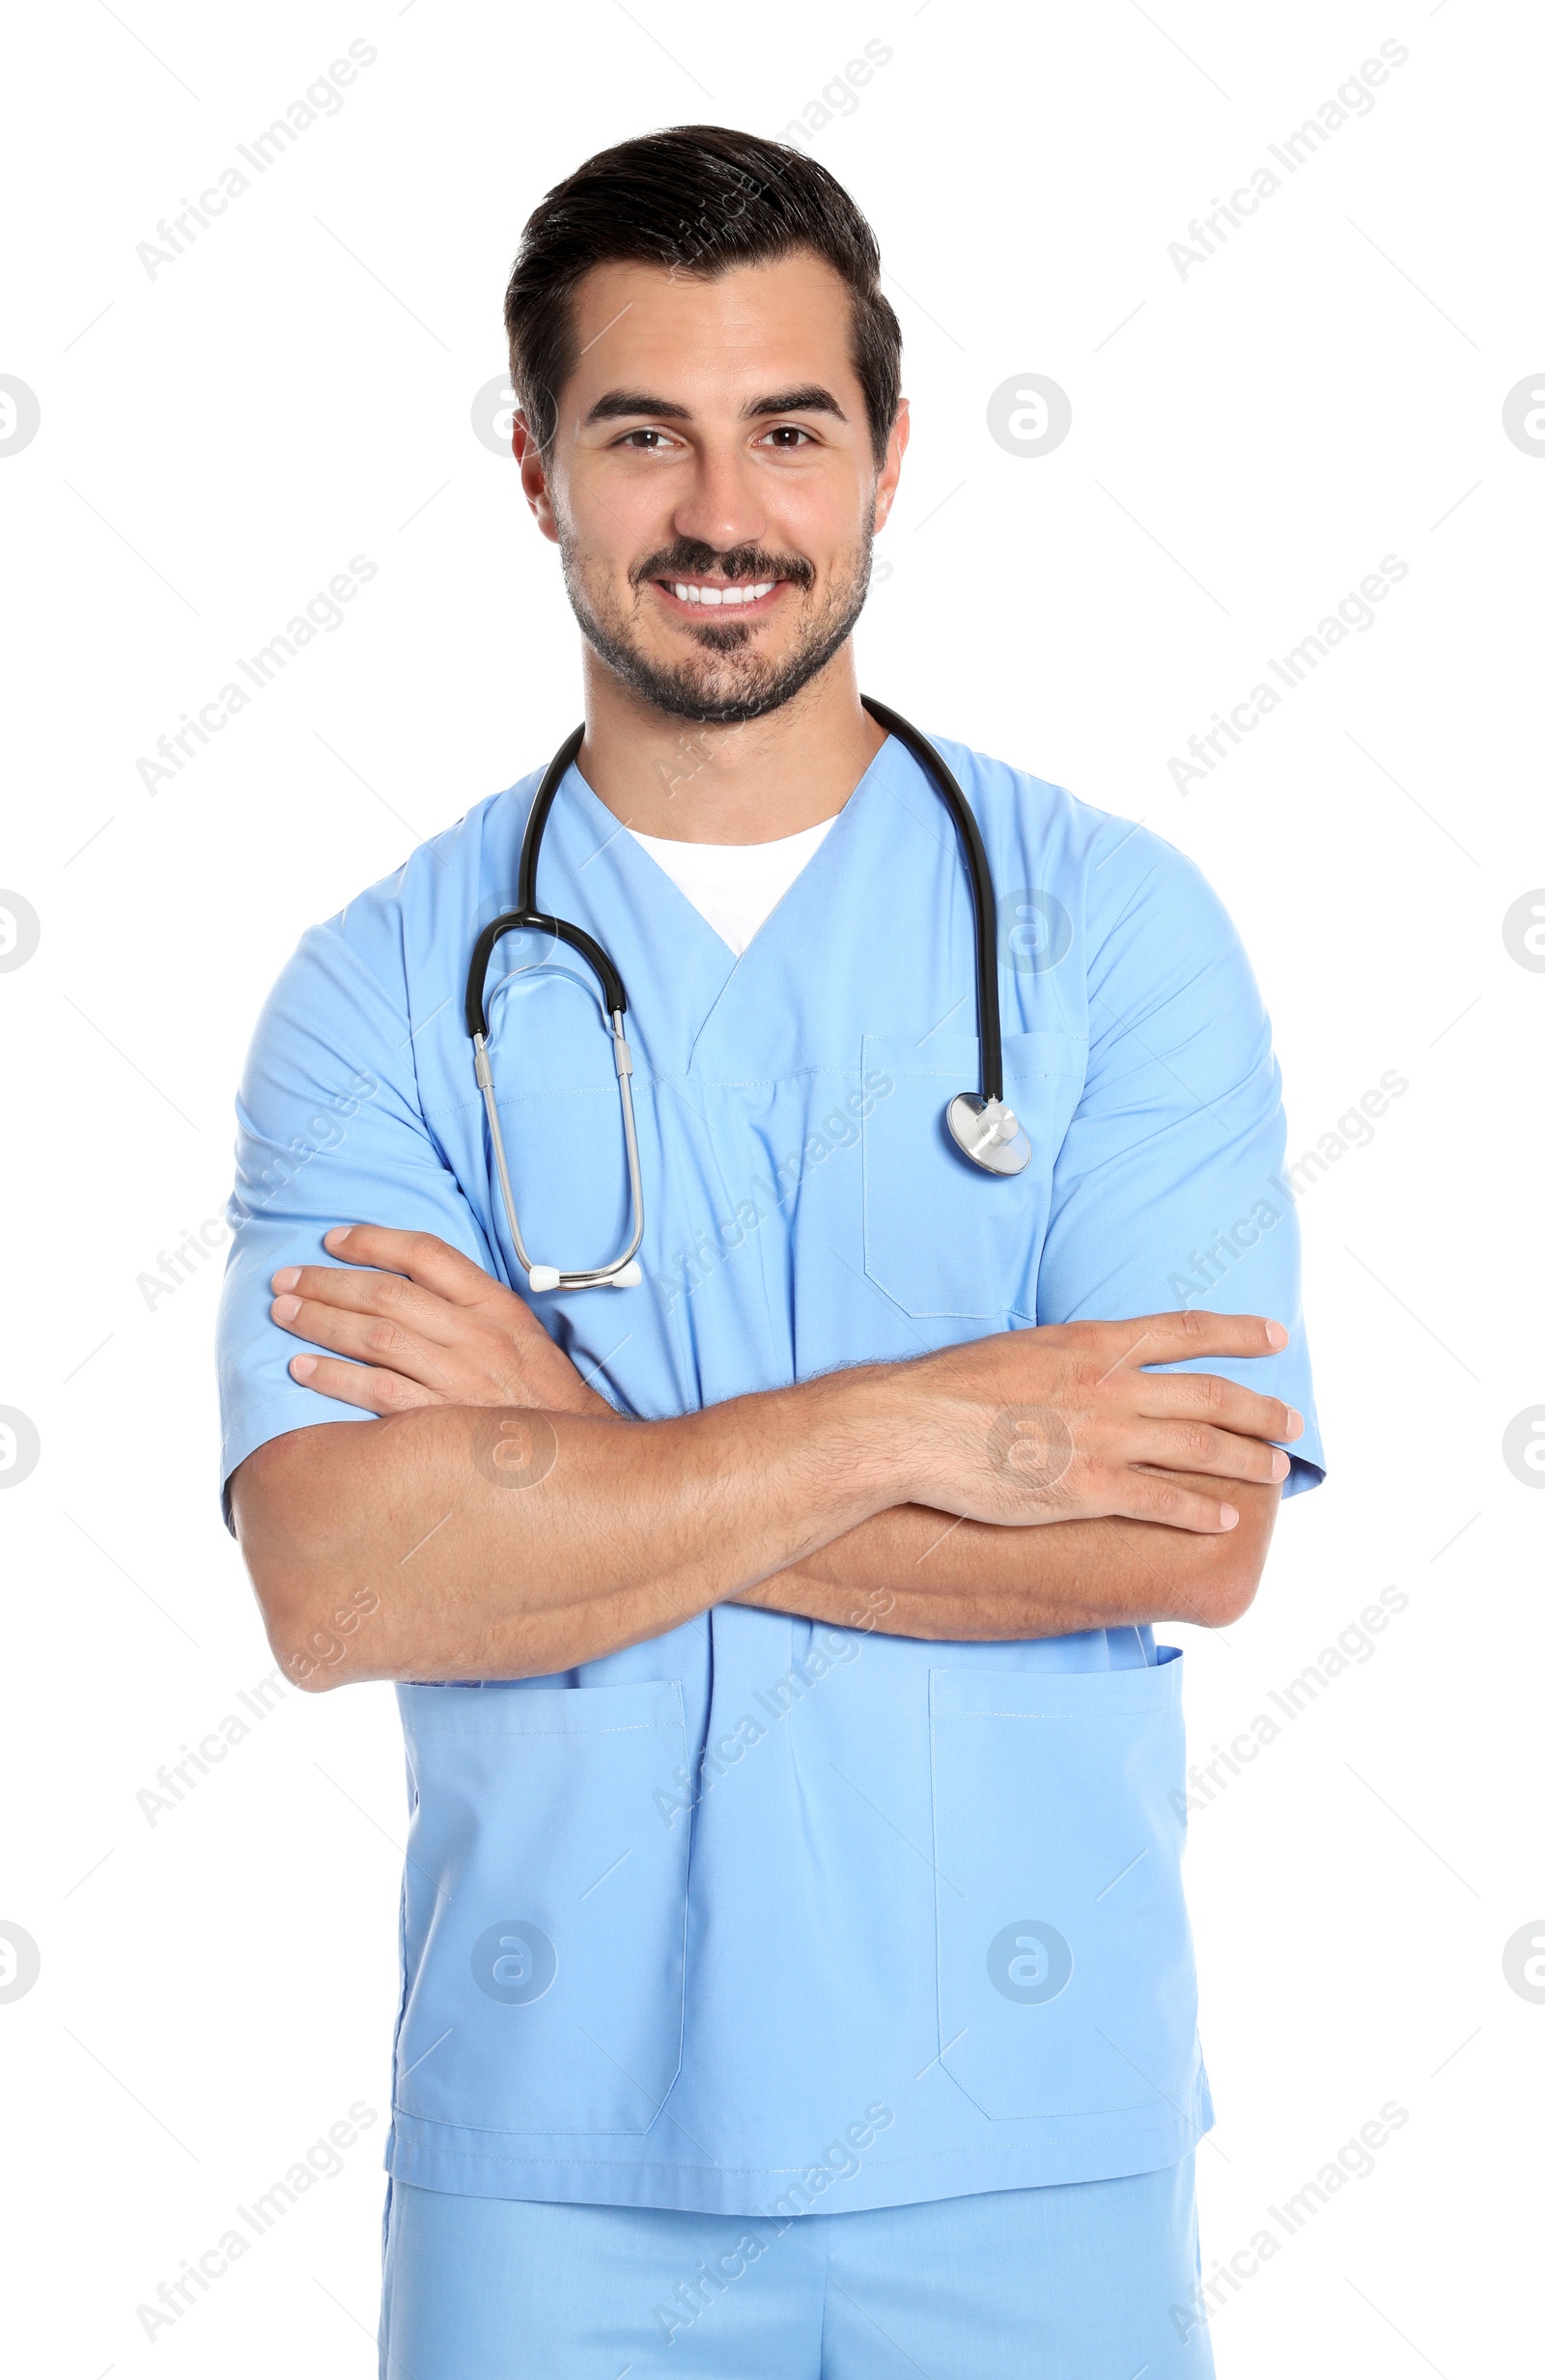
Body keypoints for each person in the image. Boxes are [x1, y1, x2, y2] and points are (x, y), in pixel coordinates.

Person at [219, 125, 1324, 2380]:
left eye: (786, 430)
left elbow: (1194, 1532)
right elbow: (343, 1588)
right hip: (557, 2163)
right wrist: (926, 1426)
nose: (721, 513)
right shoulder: (378, 987)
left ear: (890, 458)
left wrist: (567, 1453)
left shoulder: (1111, 936)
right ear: (535, 470)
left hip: (1032, 2141)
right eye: (643, 435)